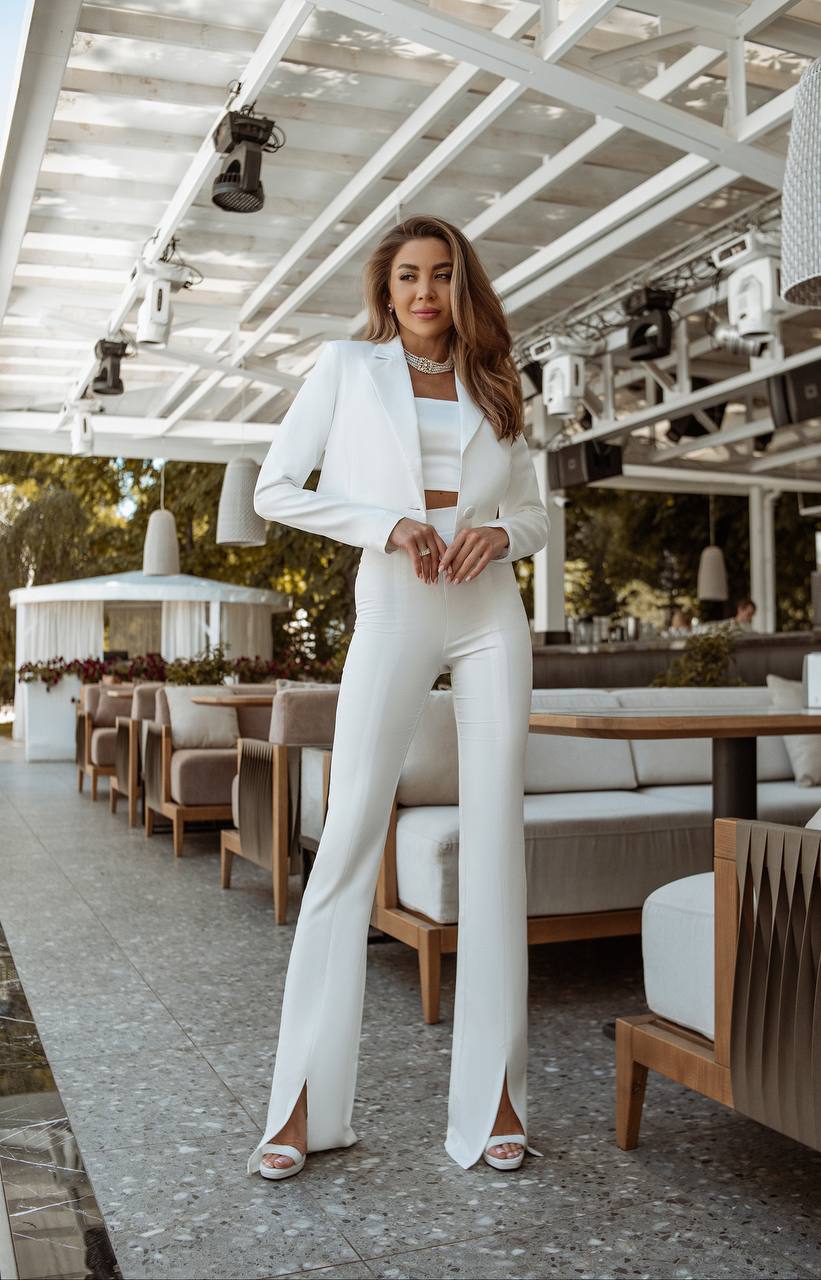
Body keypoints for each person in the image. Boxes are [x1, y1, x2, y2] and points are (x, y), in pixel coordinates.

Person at [247, 215, 550, 1183]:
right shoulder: (346, 367)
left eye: (441, 274)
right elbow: (274, 489)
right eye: (408, 275)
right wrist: (386, 524)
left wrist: (501, 534)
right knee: (346, 838)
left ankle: (495, 1100)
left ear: (462, 285)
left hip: (489, 613)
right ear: (385, 288)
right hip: (393, 604)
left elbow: (536, 511)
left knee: (495, 840)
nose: (424, 292)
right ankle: (301, 1105)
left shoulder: (498, 379)